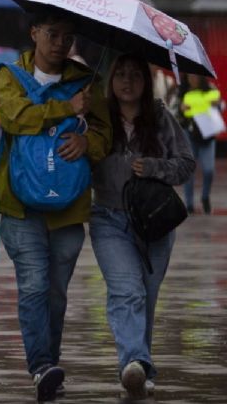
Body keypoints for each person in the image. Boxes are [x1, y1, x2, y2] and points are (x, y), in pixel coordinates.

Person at [0, 7, 111, 401]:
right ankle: (40, 366)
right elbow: (14, 117)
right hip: (18, 206)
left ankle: (49, 367)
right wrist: (67, 108)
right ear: (34, 33)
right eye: (52, 35)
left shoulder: (86, 82)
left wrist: (86, 142)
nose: (60, 44)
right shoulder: (10, 77)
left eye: (67, 37)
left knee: (57, 293)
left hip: (69, 208)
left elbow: (103, 135)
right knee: (33, 285)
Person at [90, 54, 194, 399]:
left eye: (135, 74)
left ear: (146, 81)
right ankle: (133, 364)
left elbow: (185, 164)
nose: (127, 81)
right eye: (120, 74)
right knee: (127, 292)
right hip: (108, 219)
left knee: (146, 297)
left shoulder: (160, 117)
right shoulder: (97, 117)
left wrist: (153, 167)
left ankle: (140, 368)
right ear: (111, 79)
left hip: (154, 223)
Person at [179, 73, 222, 214]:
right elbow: (172, 111)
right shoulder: (182, 91)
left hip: (207, 134)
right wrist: (181, 108)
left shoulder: (210, 89)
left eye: (196, 76)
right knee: (189, 169)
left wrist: (218, 104)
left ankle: (205, 196)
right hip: (189, 134)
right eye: (190, 76)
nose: (193, 79)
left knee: (209, 170)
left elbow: (220, 106)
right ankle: (189, 204)